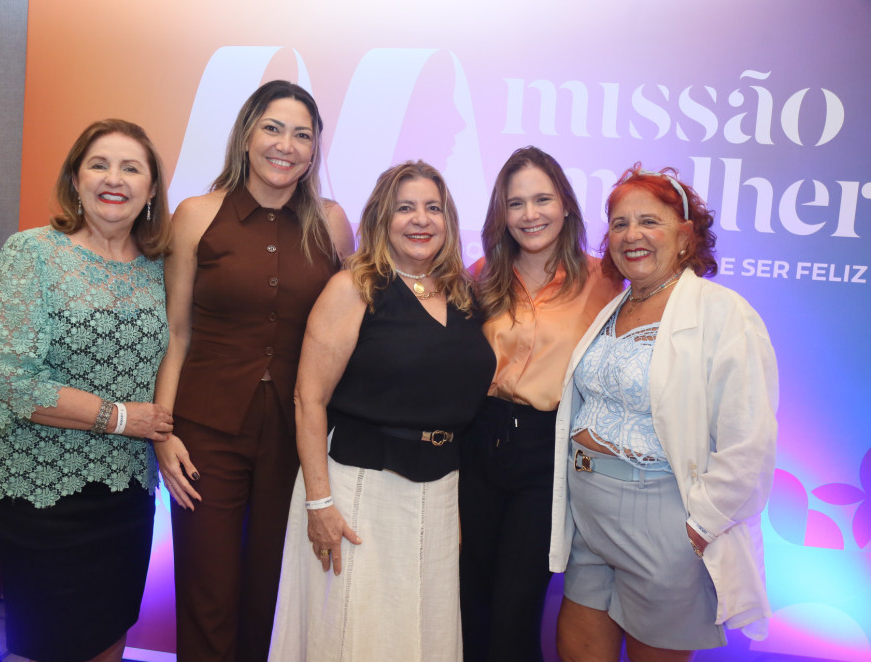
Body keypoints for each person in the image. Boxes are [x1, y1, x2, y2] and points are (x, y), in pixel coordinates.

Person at [154, 80, 355, 662]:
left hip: (298, 437)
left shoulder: (332, 223)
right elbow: (177, 332)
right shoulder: (196, 215)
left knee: (275, 589)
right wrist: (163, 434)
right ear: (246, 135)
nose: (285, 145)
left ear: (315, 150)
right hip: (204, 433)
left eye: (302, 135)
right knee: (206, 588)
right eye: (273, 128)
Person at [267, 160, 496, 662]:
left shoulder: (463, 295)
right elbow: (310, 399)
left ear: (449, 220)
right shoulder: (353, 288)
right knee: (354, 630)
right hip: (357, 490)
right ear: (381, 219)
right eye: (405, 208)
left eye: (432, 208)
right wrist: (319, 504)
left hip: (439, 491)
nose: (420, 219)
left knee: (421, 630)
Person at [552, 165, 778, 661]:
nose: (631, 235)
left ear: (684, 236)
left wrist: (699, 525)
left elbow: (750, 441)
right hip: (589, 519)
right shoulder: (615, 305)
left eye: (649, 221)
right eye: (619, 223)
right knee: (575, 648)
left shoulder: (724, 314)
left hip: (663, 523)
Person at [0, 119, 174, 662]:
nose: (115, 179)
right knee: (53, 644)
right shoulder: (33, 253)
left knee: (110, 632)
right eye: (99, 164)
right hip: (39, 490)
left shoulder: (161, 272)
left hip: (125, 493)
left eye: (132, 168)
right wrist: (123, 419)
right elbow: (8, 380)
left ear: (152, 190)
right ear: (75, 179)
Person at [459, 146, 622, 661]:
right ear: (501, 215)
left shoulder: (606, 280)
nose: (531, 215)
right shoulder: (480, 275)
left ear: (567, 205)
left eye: (542, 199)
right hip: (475, 443)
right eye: (516, 203)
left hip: (546, 453)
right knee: (467, 597)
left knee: (517, 605)